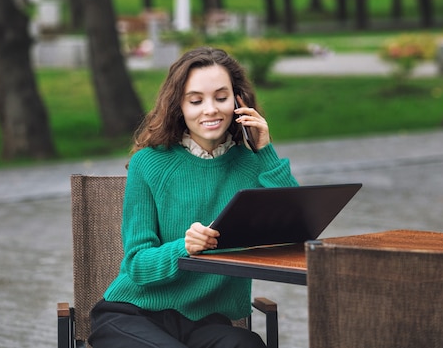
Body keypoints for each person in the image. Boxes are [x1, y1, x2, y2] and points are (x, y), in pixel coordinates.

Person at [89, 46, 299, 348]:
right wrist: (184, 248)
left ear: (239, 101)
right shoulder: (149, 163)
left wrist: (265, 150)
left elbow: (295, 231)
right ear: (179, 106)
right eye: (196, 100)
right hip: (132, 315)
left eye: (221, 97)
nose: (210, 109)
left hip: (205, 323)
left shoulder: (253, 165)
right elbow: (137, 264)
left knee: (247, 344)